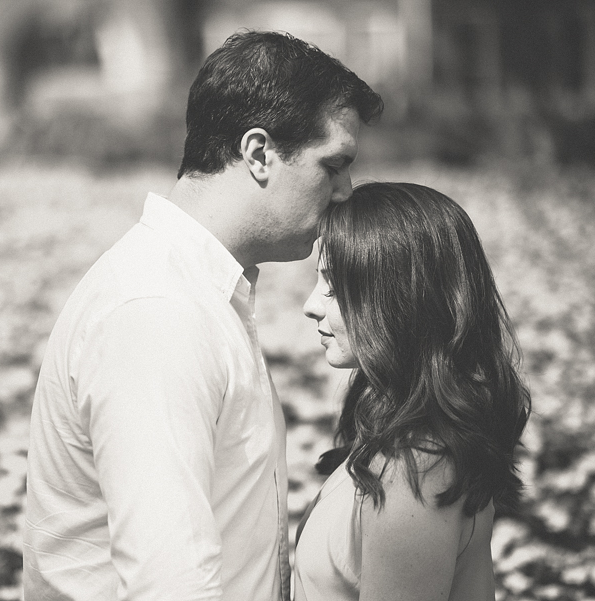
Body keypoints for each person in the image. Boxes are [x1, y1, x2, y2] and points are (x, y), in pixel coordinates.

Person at [23, 31, 383, 601]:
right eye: (333, 165)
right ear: (259, 153)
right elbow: (170, 583)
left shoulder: (195, 291)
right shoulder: (159, 311)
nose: (345, 191)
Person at [296, 182, 532, 601]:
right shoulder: (394, 440)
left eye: (332, 286)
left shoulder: (417, 468)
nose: (310, 304)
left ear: (399, 299)